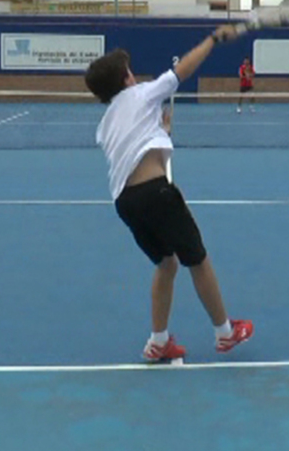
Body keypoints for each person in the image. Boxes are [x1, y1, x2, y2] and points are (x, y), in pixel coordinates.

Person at [85, 25, 254, 362]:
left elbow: (134, 147)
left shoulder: (105, 125)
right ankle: (224, 332)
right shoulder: (142, 94)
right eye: (129, 72)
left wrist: (161, 132)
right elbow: (182, 71)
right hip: (156, 194)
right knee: (198, 260)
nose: (133, 75)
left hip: (126, 203)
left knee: (166, 264)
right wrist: (212, 40)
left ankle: (158, 342)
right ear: (126, 79)